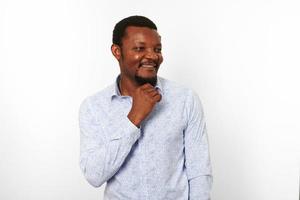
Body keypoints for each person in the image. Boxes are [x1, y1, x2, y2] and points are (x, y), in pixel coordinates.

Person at [79, 15, 212, 200]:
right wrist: (134, 117)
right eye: (140, 48)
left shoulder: (185, 99)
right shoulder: (93, 107)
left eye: (157, 49)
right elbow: (94, 175)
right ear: (117, 51)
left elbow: (199, 171)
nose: (152, 55)